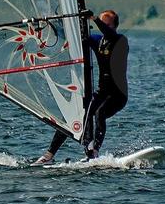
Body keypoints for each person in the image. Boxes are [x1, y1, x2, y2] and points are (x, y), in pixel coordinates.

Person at [33, 10, 129, 165]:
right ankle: (48, 156)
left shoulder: (120, 40)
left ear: (114, 26)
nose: (103, 26)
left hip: (118, 95)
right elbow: (75, 37)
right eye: (102, 23)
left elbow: (108, 33)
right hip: (101, 93)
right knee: (73, 116)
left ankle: (94, 152)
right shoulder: (98, 40)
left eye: (106, 24)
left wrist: (93, 18)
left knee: (100, 112)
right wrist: (54, 25)